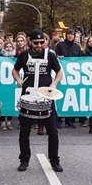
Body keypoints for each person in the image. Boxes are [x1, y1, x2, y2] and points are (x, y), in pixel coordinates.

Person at [12, 29, 64, 173]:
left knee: (53, 131)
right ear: (30, 42)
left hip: (46, 98)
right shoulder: (23, 55)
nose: (39, 45)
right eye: (36, 43)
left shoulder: (50, 56)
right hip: (28, 97)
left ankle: (54, 160)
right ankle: (24, 159)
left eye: (42, 42)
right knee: (24, 131)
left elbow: (59, 72)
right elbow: (15, 70)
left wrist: (53, 85)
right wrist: (18, 80)